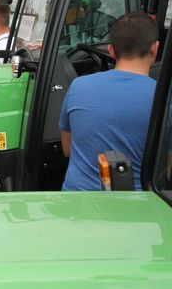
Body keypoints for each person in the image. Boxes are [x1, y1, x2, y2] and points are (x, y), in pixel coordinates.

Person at [60, 12, 158, 191]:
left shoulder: (78, 86)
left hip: (77, 201)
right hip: (139, 204)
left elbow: (67, 149)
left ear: (111, 50)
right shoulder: (163, 99)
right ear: (155, 49)